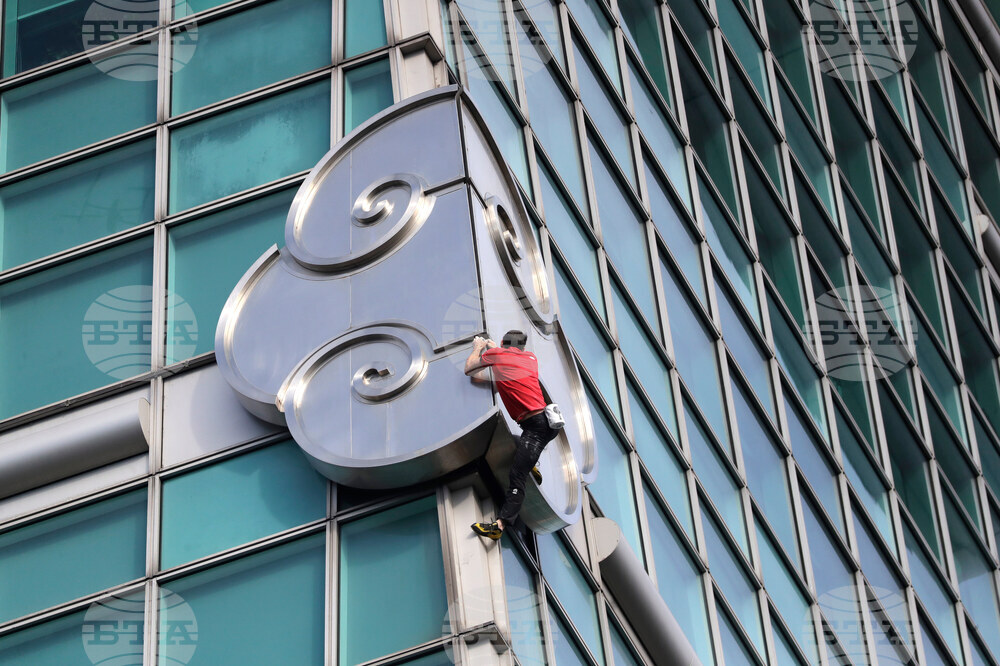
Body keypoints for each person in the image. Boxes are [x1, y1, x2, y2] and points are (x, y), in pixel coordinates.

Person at [464, 330, 558, 540]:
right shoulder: (530, 358)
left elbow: (469, 370)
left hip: (535, 427)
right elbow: (508, 362)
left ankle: (500, 525)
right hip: (546, 423)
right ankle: (531, 463)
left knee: (517, 477)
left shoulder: (498, 355)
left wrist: (479, 348)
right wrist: (495, 349)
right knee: (515, 445)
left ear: (503, 343)